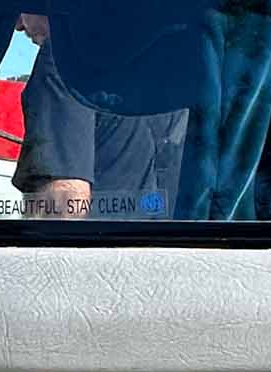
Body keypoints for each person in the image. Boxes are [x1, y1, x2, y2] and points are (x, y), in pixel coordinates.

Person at [12, 14, 186, 219]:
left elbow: (64, 201)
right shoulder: (183, 67)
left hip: (97, 237)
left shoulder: (66, 57)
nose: (18, 26)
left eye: (20, 5)